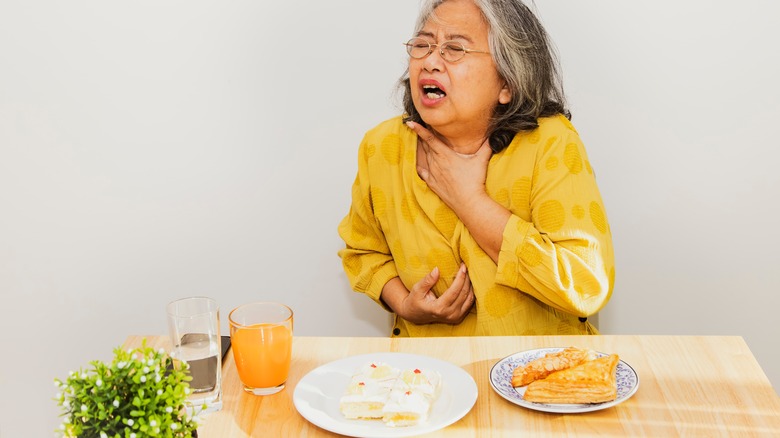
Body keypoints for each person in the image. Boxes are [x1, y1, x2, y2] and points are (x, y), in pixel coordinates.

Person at [338, 0, 614, 337]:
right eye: (423, 45)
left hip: (541, 376)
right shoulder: (382, 147)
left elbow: (585, 283)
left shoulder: (551, 143)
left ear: (507, 83)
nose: (430, 62)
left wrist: (471, 201)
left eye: (455, 49)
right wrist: (405, 304)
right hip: (427, 377)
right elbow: (363, 252)